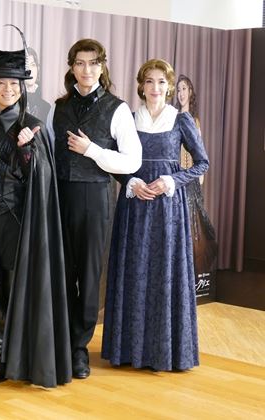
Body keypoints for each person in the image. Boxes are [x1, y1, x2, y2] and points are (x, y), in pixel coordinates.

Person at [0, 41, 71, 388]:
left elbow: (43, 177)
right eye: (1, 83)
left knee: (12, 286)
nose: (8, 89)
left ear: (21, 87)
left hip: (18, 220)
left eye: (14, 83)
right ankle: (8, 328)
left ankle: (2, 355)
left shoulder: (31, 125)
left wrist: (26, 150)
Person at [101, 59, 209, 371]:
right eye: (149, 81)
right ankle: (129, 351)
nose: (155, 87)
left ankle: (165, 353)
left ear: (170, 86)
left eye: (161, 82)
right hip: (135, 205)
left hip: (168, 209)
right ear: (141, 86)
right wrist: (131, 182)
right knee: (134, 271)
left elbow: (202, 163)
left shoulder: (180, 120)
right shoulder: (128, 119)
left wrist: (171, 180)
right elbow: (112, 161)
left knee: (164, 272)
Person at [46, 38, 142, 379]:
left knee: (88, 275)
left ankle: (79, 347)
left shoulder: (117, 108)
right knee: (61, 271)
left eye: (93, 63)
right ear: (72, 67)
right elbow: (48, 152)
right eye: (80, 63)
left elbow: (133, 161)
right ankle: (59, 341)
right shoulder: (58, 107)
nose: (87, 70)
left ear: (102, 67)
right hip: (59, 196)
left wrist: (92, 151)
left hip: (95, 197)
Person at [175, 75, 217, 297]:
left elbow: (199, 153)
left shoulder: (194, 120)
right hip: (176, 179)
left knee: (193, 227)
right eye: (179, 89)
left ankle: (191, 277)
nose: (181, 93)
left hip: (190, 180)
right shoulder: (173, 118)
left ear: (191, 92)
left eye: (185, 89)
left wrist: (198, 178)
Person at [24, 47, 50, 123]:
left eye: (33, 65)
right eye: (26, 66)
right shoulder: (12, 104)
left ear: (37, 68)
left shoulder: (46, 107)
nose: (30, 70)